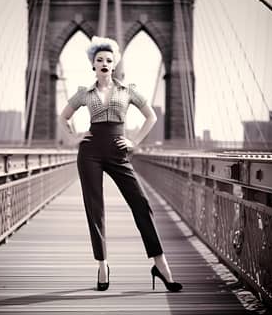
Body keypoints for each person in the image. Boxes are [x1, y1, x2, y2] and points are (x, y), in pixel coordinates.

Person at [60, 36, 182, 292]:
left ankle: (160, 264)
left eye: (108, 60)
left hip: (118, 151)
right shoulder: (85, 92)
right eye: (99, 60)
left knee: (141, 203)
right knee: (95, 209)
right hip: (90, 151)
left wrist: (134, 141)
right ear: (93, 65)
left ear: (114, 65)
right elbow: (64, 116)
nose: (104, 63)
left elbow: (151, 116)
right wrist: (74, 137)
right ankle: (102, 264)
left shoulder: (128, 91)